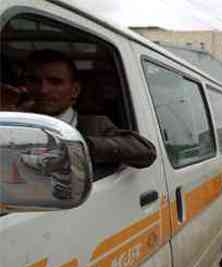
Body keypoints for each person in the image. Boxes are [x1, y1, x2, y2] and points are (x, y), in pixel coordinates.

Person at [2, 49, 156, 177]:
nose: (43, 90)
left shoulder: (94, 124)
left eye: (55, 82)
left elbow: (146, 151)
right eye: (34, 80)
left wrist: (79, 146)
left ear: (75, 90)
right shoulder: (13, 118)